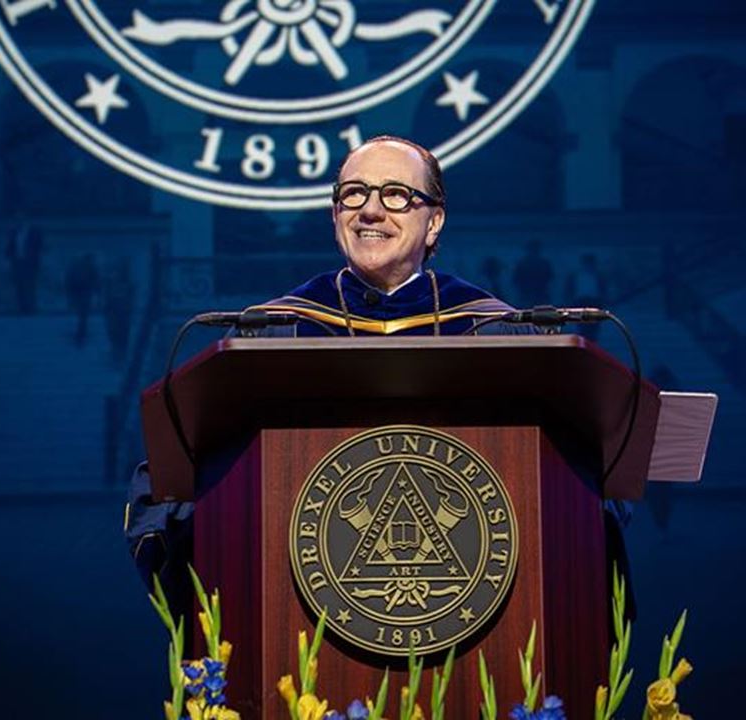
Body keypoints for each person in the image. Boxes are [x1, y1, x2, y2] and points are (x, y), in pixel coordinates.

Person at [126, 137, 636, 621]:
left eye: (396, 194)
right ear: (334, 215)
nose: (371, 210)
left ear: (434, 221)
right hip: (299, 619)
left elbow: (588, 483)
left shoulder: (497, 332)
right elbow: (175, 482)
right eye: (354, 194)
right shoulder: (273, 333)